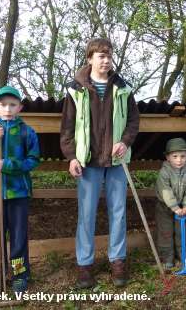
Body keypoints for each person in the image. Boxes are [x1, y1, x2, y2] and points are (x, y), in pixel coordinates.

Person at [60, 37, 140, 288]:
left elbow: (133, 122)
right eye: (101, 56)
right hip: (87, 161)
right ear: (90, 59)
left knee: (118, 212)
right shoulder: (76, 89)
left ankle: (118, 259)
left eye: (109, 55)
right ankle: (85, 263)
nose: (106, 60)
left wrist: (125, 142)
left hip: (117, 161)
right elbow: (67, 127)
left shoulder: (123, 88)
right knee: (86, 215)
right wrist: (71, 156)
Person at [0, 85, 41, 294]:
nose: (8, 109)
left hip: (18, 192)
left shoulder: (26, 132)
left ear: (20, 107)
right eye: (3, 105)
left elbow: (34, 161)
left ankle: (19, 275)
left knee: (18, 236)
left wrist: (9, 165)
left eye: (12, 105)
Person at [154, 138, 186, 268]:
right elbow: (165, 191)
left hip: (181, 208)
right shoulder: (164, 172)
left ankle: (181, 253)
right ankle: (167, 255)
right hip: (165, 206)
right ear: (168, 157)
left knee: (180, 230)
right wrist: (174, 207)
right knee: (166, 231)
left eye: (183, 156)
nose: (179, 160)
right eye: (175, 156)